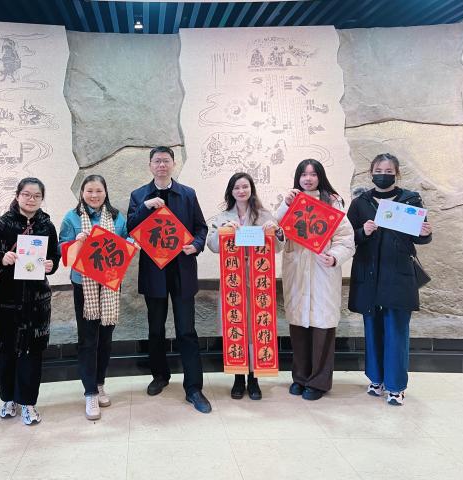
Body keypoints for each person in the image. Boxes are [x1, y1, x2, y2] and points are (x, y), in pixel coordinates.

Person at [127, 146, 212, 413]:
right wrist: (145, 207)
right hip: (154, 271)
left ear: (173, 164)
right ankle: (160, 375)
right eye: (157, 161)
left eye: (166, 161)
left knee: (186, 330)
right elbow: (130, 228)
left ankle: (194, 388)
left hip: (182, 270)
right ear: (150, 165)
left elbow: (201, 228)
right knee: (156, 329)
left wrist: (196, 245)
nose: (161, 165)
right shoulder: (139, 195)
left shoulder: (187, 194)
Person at [347, 153, 432, 406]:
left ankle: (395, 386)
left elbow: (420, 237)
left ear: (397, 174)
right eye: (378, 170)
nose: (383, 175)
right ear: (370, 172)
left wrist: (426, 232)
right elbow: (347, 238)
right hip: (369, 275)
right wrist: (363, 231)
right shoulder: (360, 202)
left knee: (396, 331)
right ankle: (376, 379)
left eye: (388, 171)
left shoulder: (410, 200)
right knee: (372, 329)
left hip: (398, 276)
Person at [276, 159, 355, 401]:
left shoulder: (332, 203)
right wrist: (284, 207)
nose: (308, 179)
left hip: (323, 273)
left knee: (322, 328)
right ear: (298, 178)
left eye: (313, 174)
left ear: (320, 177)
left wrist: (334, 257)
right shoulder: (290, 202)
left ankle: (318, 382)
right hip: (297, 274)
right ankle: (300, 378)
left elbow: (346, 240)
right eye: (303, 174)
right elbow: (276, 236)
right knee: (299, 328)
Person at [0, 178, 60, 425]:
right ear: (17, 196)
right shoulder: (0, 224)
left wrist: (51, 265)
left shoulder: (47, 226)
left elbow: (54, 257)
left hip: (36, 301)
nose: (31, 199)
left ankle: (28, 403)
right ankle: (8, 399)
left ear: (42, 199)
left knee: (32, 353)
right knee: (7, 352)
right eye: (26, 194)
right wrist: (1, 258)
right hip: (5, 300)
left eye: (36, 196)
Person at [206, 172, 284, 400]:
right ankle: (238, 378)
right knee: (236, 327)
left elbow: (278, 246)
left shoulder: (264, 215)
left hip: (258, 283)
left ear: (251, 189)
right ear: (231, 192)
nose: (241, 191)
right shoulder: (223, 217)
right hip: (234, 283)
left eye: (245, 186)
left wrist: (277, 231)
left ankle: (254, 378)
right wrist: (224, 231)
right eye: (237, 187)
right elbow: (212, 245)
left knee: (256, 329)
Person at [59, 175, 128, 420]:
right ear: (82, 193)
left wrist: (131, 242)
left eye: (98, 190)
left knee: (106, 338)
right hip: (83, 284)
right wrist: (75, 242)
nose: (94, 195)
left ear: (105, 192)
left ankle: (100, 384)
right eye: (89, 191)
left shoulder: (117, 217)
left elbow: (125, 242)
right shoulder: (72, 217)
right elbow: (62, 250)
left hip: (110, 283)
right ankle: (89, 392)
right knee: (88, 339)